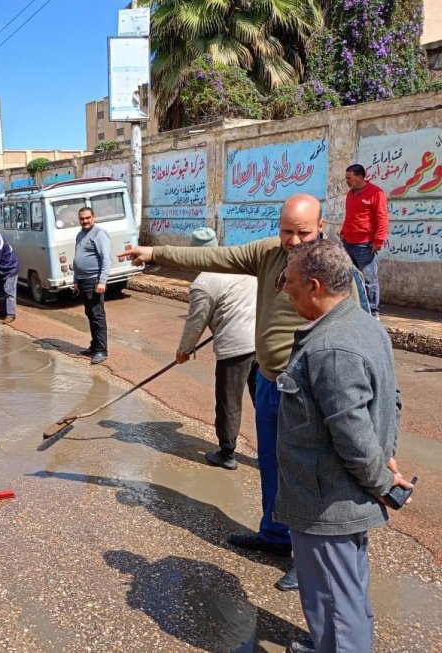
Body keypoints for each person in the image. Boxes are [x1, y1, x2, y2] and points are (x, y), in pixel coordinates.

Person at [120, 194, 329, 592]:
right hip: (270, 380)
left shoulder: (333, 268)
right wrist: (153, 252)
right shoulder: (268, 253)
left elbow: (356, 328)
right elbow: (212, 258)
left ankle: (310, 561)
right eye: (287, 231)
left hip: (305, 390)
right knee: (271, 464)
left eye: (303, 232)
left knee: (303, 475)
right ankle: (276, 535)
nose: (294, 241)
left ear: (321, 227)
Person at [276, 239, 411, 653]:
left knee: (335, 598)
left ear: (314, 286)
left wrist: (381, 481)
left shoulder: (331, 348)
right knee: (344, 591)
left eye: (290, 282)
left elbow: (351, 431)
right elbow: (390, 400)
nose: (284, 290)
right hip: (334, 496)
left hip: (327, 502)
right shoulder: (363, 324)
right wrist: (387, 456)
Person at [175, 227, 257, 471]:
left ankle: (227, 452)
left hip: (235, 348)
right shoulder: (240, 265)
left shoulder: (203, 283)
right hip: (262, 340)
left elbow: (195, 322)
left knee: (228, 400)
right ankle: (274, 452)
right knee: (263, 399)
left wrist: (184, 350)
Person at [340, 164, 388, 318]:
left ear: (360, 177)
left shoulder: (376, 193)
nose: (346, 181)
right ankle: (355, 310)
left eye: (349, 178)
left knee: (369, 280)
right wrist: (343, 232)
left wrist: (378, 241)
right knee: (350, 278)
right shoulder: (350, 194)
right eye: (346, 178)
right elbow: (350, 216)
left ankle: (373, 314)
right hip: (348, 242)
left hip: (364, 245)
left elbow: (382, 218)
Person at [73, 206, 112, 365]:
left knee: (97, 315)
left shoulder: (99, 234)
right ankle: (94, 345)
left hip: (93, 281)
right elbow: (77, 258)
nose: (85, 221)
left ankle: (102, 350)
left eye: (88, 218)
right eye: (82, 218)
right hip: (82, 281)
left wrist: (102, 281)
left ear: (93, 217)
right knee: (90, 313)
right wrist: (75, 281)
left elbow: (106, 259)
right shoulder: (80, 235)